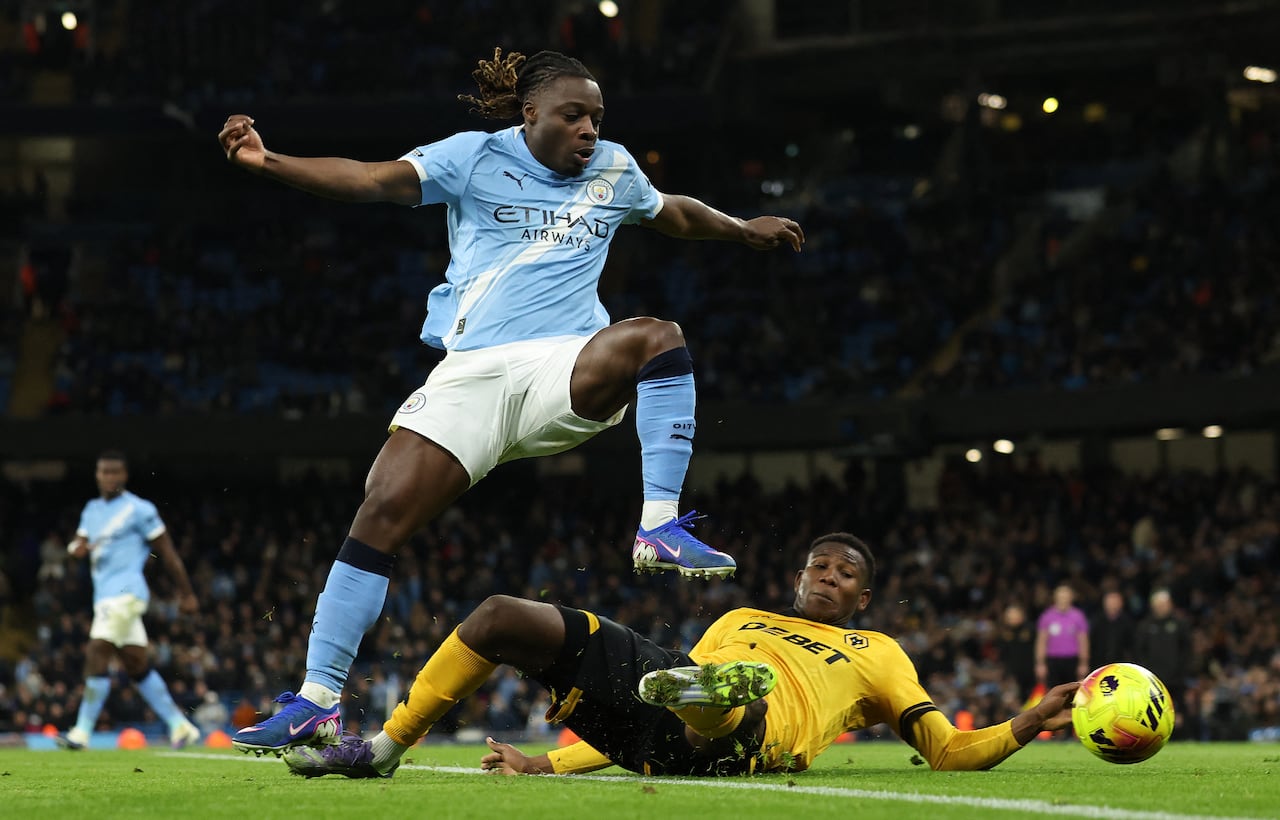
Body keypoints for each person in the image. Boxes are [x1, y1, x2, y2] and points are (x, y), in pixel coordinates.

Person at [218, 48, 805, 755]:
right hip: (473, 373)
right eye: (573, 115)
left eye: (596, 117)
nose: (589, 129)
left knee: (657, 337)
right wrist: (269, 162)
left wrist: (740, 228)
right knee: (379, 515)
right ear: (530, 114)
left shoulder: (614, 169)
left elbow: (671, 213)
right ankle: (318, 701)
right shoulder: (472, 156)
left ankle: (658, 524)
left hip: (564, 364)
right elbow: (373, 179)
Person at [282, 533, 1079, 779]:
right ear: (798, 577)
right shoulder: (740, 615)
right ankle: (382, 749)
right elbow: (657, 690)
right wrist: (542, 765)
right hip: (658, 720)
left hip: (757, 735)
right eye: (819, 566)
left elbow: (944, 751)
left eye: (846, 574)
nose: (829, 577)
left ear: (864, 599)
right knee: (500, 617)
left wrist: (1028, 721)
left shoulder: (878, 651)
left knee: (721, 696)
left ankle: (712, 708)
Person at [55, 450, 201, 750]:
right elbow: (78, 544)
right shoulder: (92, 510)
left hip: (125, 594)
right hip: (104, 597)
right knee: (136, 664)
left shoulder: (140, 509)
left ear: (124, 475)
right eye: (104, 472)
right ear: (97, 475)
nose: (109, 477)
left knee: (97, 649)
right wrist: (74, 550)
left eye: (115, 472)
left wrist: (187, 593)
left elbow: (168, 553)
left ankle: (81, 733)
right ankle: (181, 726)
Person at [1134, 589, 1192, 725]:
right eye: (1158, 604)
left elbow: (1186, 649)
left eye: (1164, 604)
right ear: (1153, 606)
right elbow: (1139, 651)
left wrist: (1182, 669)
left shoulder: (1180, 624)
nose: (1161, 607)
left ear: (1170, 604)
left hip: (1176, 678)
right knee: (1153, 714)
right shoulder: (1145, 626)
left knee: (1179, 713)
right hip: (1152, 681)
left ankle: (1185, 733)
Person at [1035, 583, 1090, 690]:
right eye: (1060, 597)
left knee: (1073, 692)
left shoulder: (1078, 616)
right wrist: (1040, 663)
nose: (1063, 599)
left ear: (1071, 598)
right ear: (1055, 598)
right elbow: (1041, 641)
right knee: (1053, 691)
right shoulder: (1047, 616)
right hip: (1053, 660)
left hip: (1072, 660)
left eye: (1066, 596)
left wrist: (1083, 663)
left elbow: (1083, 641)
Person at [1089, 589, 1135, 667]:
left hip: (1121, 664)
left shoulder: (1128, 622)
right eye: (1109, 602)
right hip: (1098, 663)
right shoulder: (1096, 621)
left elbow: (1132, 646)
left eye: (1115, 602)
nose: (1112, 605)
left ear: (1121, 603)